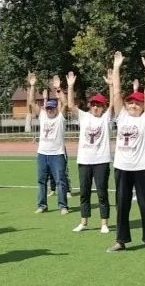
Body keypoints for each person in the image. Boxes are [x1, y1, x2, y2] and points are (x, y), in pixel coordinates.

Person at [107, 51, 145, 255]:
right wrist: (116, 68)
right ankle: (121, 240)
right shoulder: (122, 117)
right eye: (131, 103)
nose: (133, 105)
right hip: (122, 167)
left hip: (143, 168)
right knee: (122, 205)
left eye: (137, 103)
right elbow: (117, 93)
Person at [67, 71, 113, 234]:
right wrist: (70, 86)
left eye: (99, 105)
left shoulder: (106, 118)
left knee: (102, 193)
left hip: (101, 161)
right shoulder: (84, 116)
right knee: (84, 193)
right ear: (89, 106)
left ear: (103, 107)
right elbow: (70, 105)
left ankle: (104, 223)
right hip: (84, 161)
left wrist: (111, 85)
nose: (95, 107)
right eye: (93, 104)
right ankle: (84, 222)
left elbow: (114, 104)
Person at [27, 73, 70, 214]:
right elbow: (31, 102)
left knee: (60, 181)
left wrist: (58, 89)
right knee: (41, 181)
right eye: (48, 108)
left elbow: (65, 103)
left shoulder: (60, 118)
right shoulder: (43, 116)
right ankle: (42, 205)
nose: (50, 110)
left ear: (56, 109)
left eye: (52, 108)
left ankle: (63, 206)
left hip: (57, 154)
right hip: (42, 154)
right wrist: (32, 86)